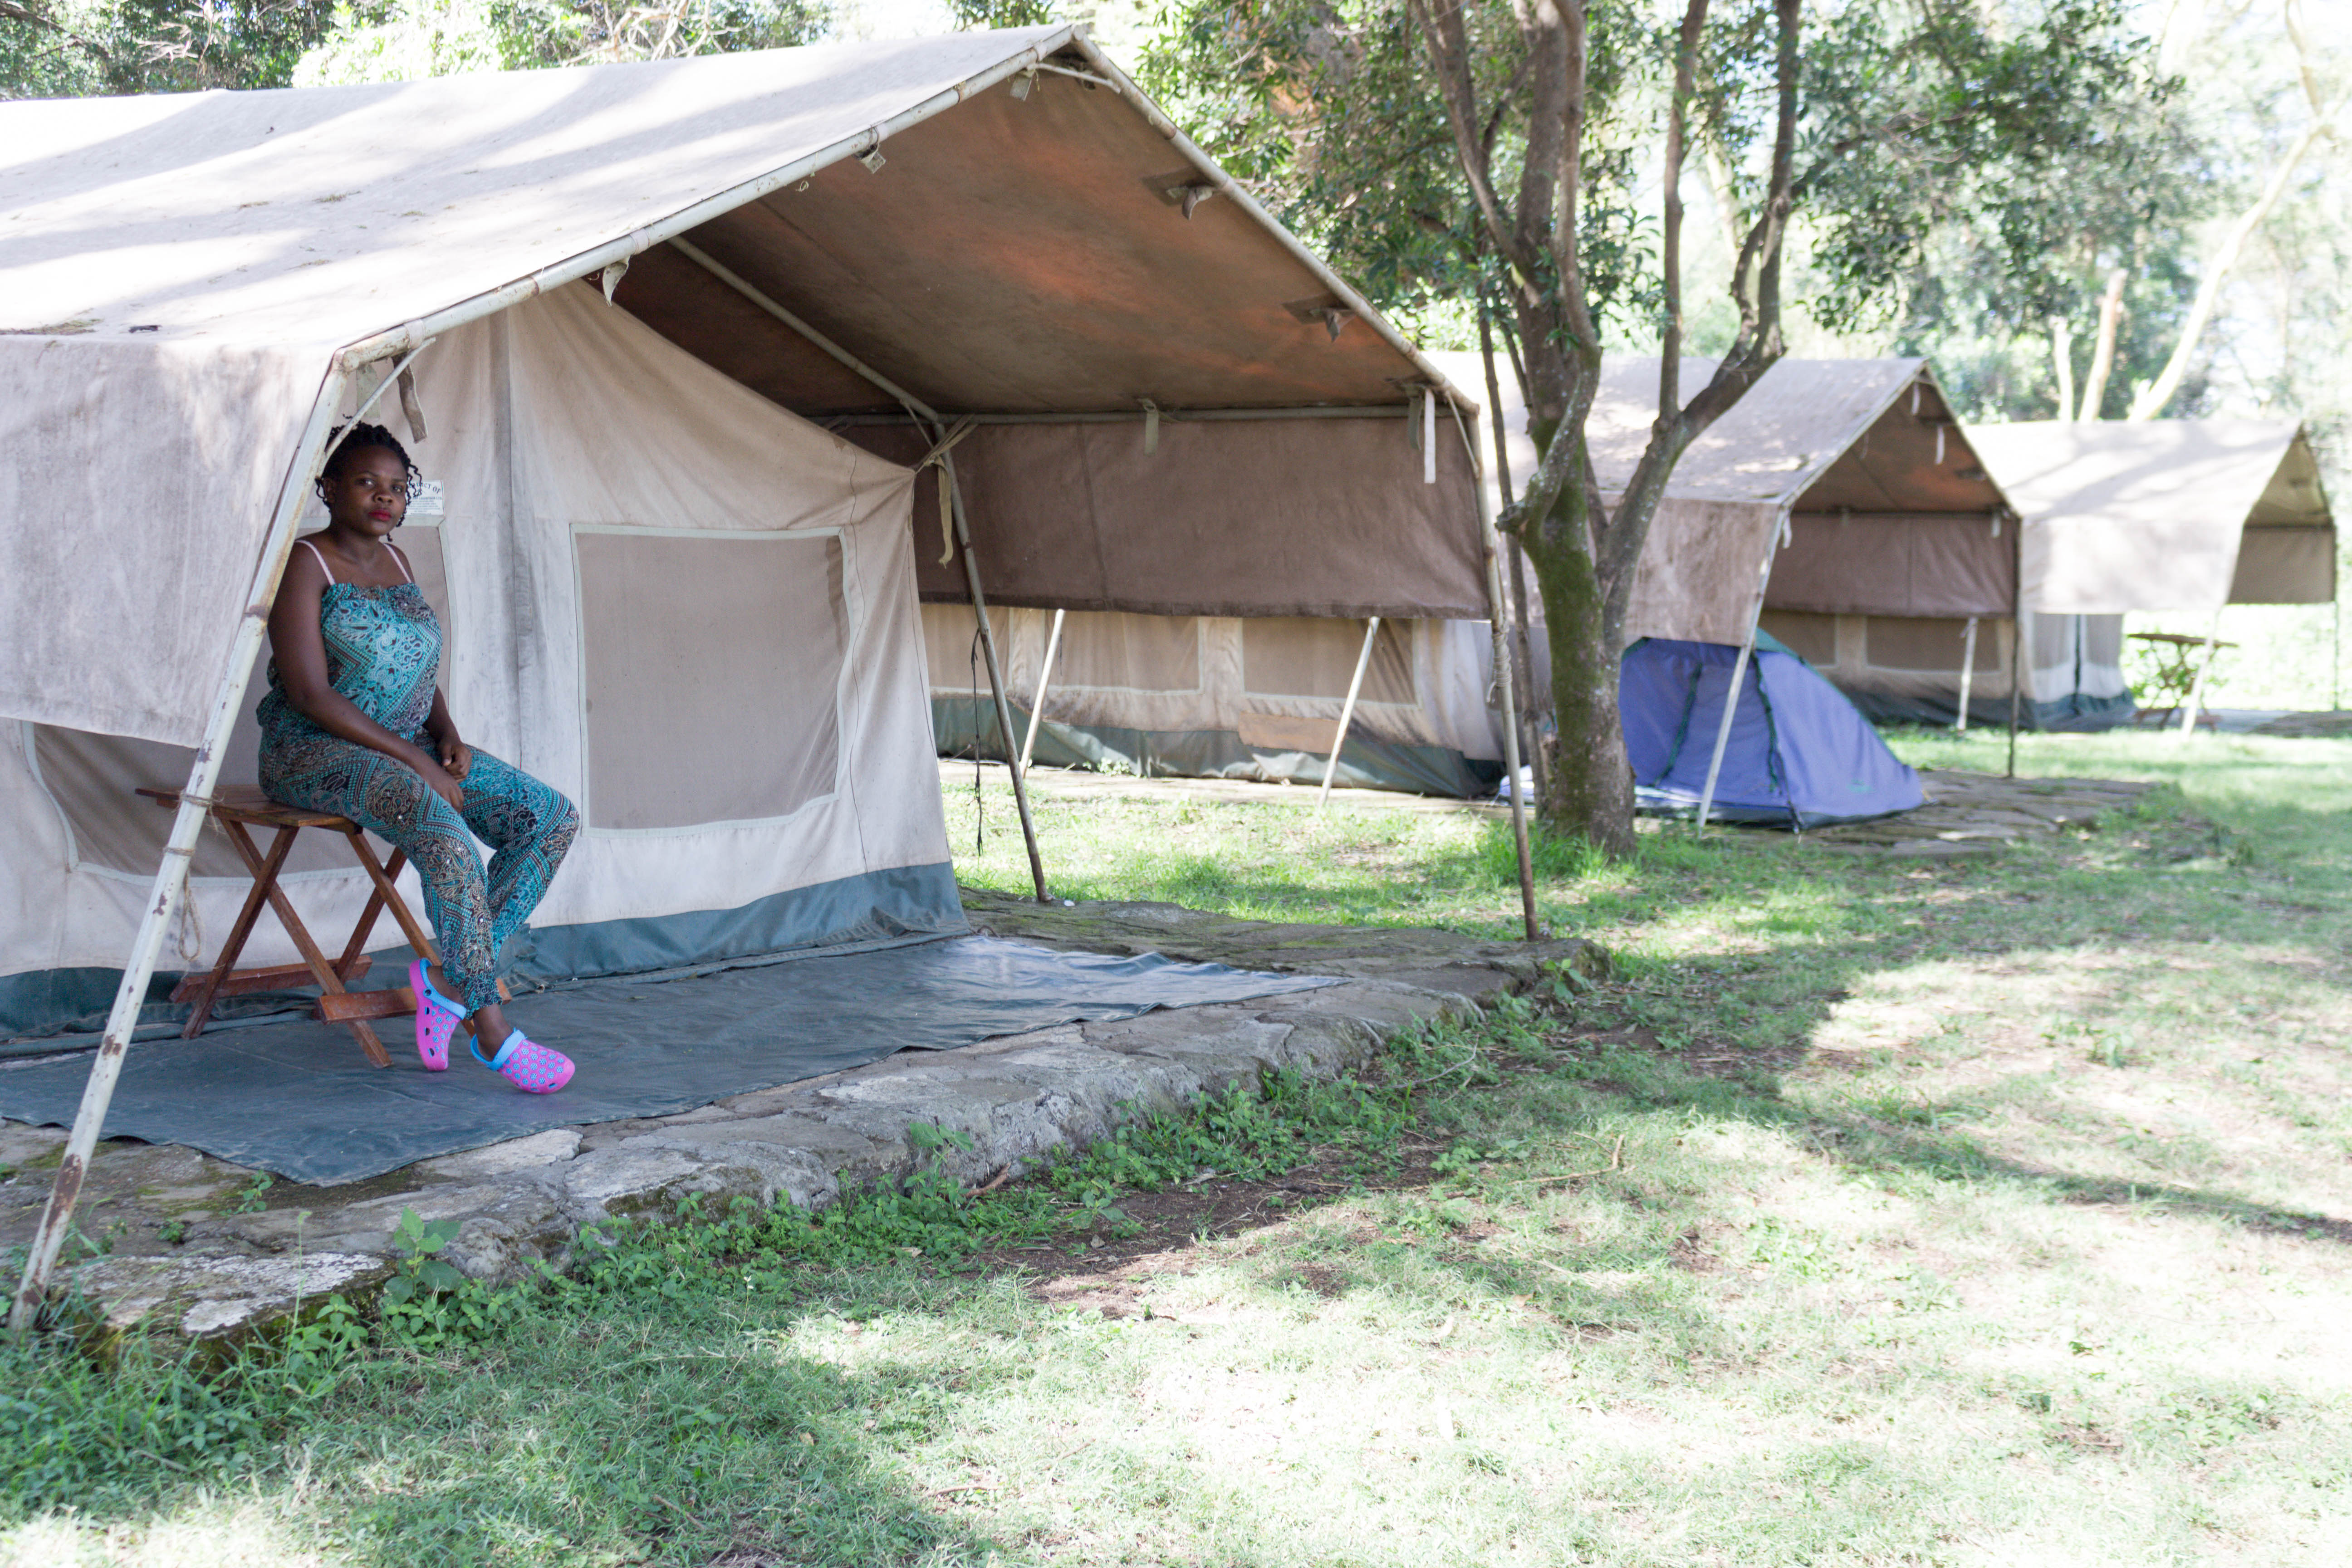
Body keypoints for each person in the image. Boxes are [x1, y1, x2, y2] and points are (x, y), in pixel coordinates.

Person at [259, 422, 578, 1092]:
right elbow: (313, 694)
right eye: (367, 483)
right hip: (315, 751)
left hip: (411, 742)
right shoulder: (305, 563)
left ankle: (445, 978)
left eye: (398, 488)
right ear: (329, 488)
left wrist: (448, 730)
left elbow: (416, 664)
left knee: (548, 817)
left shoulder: (397, 562)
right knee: (443, 830)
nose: (384, 498)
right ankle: (491, 1032)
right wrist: (417, 761)